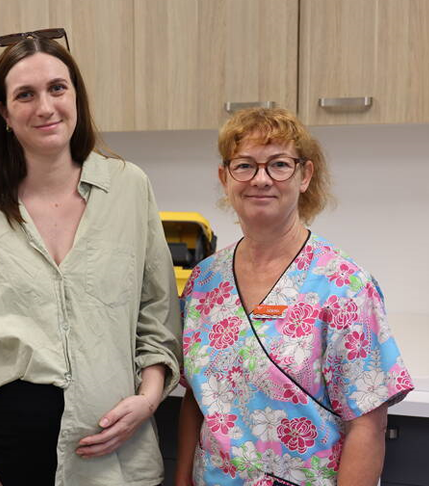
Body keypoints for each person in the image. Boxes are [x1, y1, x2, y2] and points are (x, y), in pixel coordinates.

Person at [0, 31, 181, 486]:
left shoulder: (129, 187)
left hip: (118, 456)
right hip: (8, 455)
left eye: (58, 88)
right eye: (25, 94)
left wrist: (150, 397)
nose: (45, 107)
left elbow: (156, 316)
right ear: (3, 112)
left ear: (76, 95)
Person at [175, 108, 414, 486]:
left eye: (279, 165)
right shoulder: (204, 281)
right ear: (225, 177)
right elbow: (197, 399)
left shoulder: (344, 286)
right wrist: (182, 480)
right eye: (245, 165)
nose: (261, 179)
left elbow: (367, 425)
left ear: (305, 175)